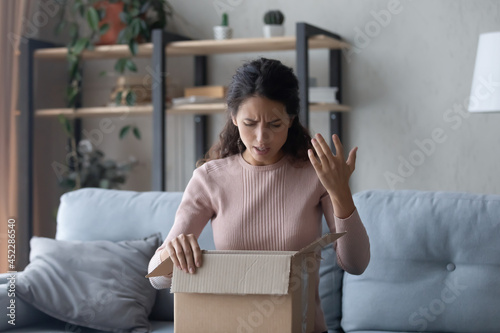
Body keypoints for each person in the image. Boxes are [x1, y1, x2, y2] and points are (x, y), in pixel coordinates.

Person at [148, 57, 370, 333]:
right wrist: (173, 253)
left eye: (275, 124)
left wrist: (341, 194)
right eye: (250, 123)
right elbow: (158, 279)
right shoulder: (210, 178)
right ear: (233, 118)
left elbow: (356, 264)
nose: (261, 138)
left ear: (291, 119)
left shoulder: (315, 175)